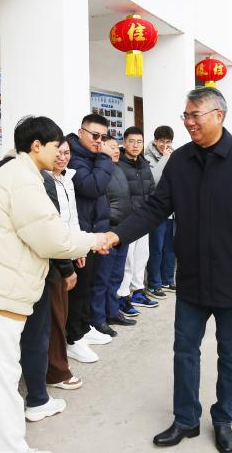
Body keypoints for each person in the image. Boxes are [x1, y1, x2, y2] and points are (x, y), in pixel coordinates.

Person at [104, 88, 232, 453]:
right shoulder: (180, 161)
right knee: (184, 350)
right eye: (186, 115)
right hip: (192, 276)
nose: (188, 122)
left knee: (231, 353)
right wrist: (117, 236)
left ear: (218, 115)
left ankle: (223, 418)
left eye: (195, 115)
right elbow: (155, 208)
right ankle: (186, 418)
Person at [0, 115, 109, 453]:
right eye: (55, 146)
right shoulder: (24, 180)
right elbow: (52, 238)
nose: (60, 153)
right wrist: (95, 240)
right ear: (36, 146)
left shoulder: (19, 173)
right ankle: (8, 447)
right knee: (4, 372)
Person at [45, 139, 100, 392]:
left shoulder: (68, 178)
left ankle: (73, 339)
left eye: (66, 153)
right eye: (58, 153)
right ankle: (61, 359)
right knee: (58, 308)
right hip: (55, 251)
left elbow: (73, 216)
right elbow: (53, 224)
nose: (62, 158)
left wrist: (79, 247)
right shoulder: (43, 181)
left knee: (74, 297)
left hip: (69, 244)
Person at [65, 114, 116, 363]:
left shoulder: (92, 157)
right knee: (79, 289)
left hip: (94, 231)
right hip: (80, 233)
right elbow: (92, 187)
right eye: (95, 135)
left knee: (89, 285)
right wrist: (105, 158)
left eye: (103, 137)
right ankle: (73, 338)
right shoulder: (74, 158)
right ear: (81, 132)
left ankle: (84, 328)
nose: (99, 141)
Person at [90, 135, 138, 336]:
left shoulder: (117, 168)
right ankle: (98, 319)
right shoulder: (99, 171)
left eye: (117, 147)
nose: (116, 150)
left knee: (116, 276)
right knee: (102, 278)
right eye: (111, 147)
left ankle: (112, 312)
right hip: (108, 231)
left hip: (122, 230)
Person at [116, 127, 160, 311]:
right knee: (127, 260)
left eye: (139, 142)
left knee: (142, 257)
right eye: (132, 141)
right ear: (124, 142)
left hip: (143, 219)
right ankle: (122, 296)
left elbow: (151, 190)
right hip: (127, 221)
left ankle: (138, 292)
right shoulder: (118, 164)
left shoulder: (144, 164)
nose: (135, 145)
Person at [144, 125, 176, 296]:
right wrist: (165, 158)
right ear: (155, 141)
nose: (165, 145)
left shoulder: (174, 154)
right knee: (156, 248)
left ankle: (167, 279)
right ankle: (153, 283)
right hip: (156, 210)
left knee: (170, 248)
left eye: (168, 141)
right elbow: (154, 179)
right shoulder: (147, 157)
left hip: (172, 210)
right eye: (161, 141)